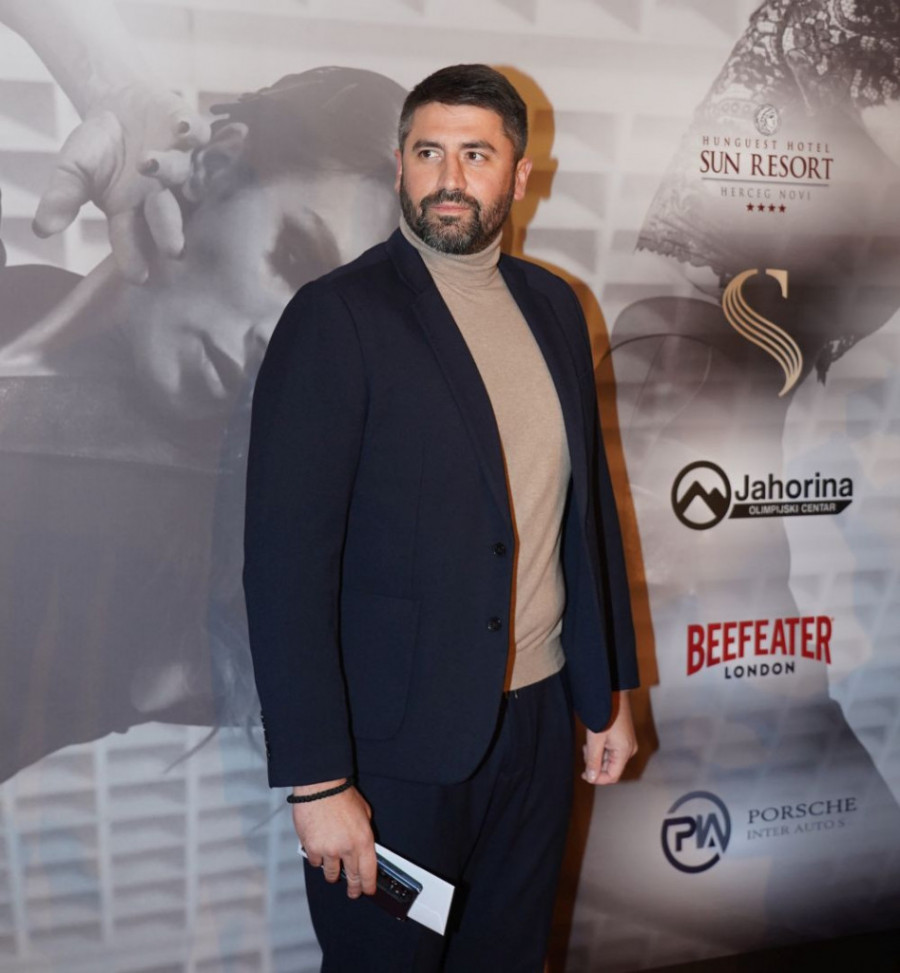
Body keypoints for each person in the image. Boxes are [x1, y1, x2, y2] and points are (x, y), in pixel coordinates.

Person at [243, 64, 639, 971]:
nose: (449, 178)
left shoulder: (556, 306)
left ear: (519, 175)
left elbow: (583, 518)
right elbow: (285, 568)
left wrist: (603, 693)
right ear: (399, 166)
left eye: (475, 154)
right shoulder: (337, 316)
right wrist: (319, 779)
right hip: (394, 759)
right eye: (428, 153)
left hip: (536, 730)